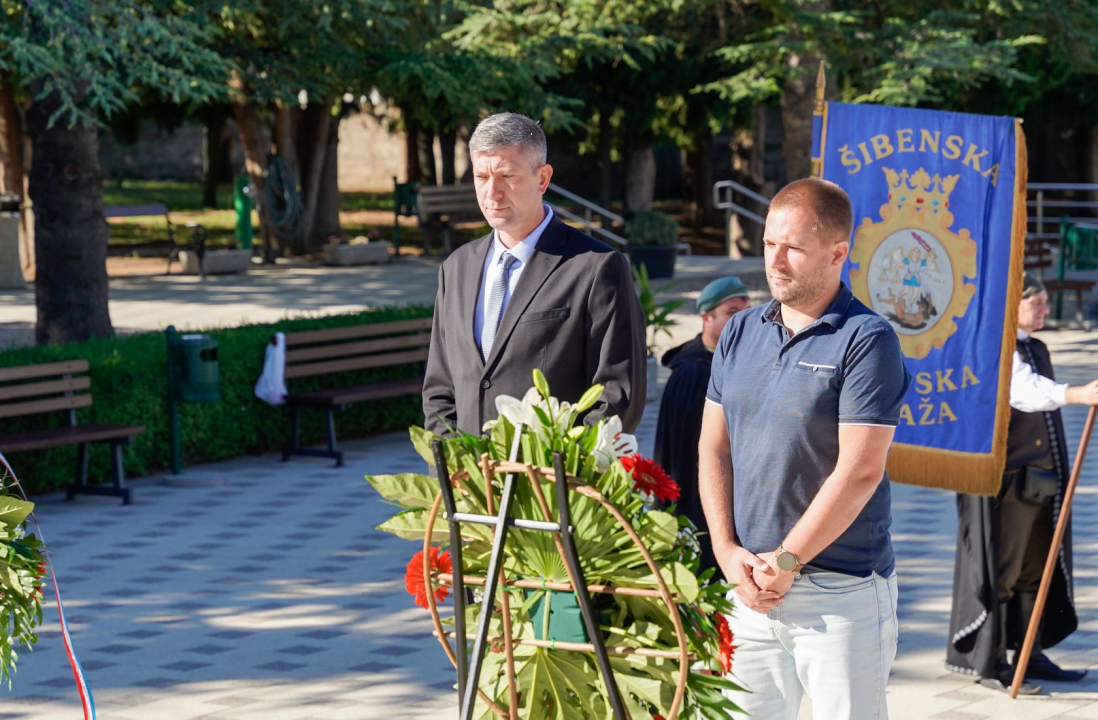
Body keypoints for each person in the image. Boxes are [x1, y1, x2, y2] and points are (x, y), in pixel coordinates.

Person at [699, 177, 911, 719]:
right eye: (769, 243)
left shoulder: (867, 339)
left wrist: (788, 559)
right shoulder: (740, 330)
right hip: (747, 589)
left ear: (838, 252)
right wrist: (726, 552)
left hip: (840, 595)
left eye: (793, 247)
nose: (776, 260)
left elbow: (860, 470)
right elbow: (713, 449)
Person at [422, 112, 646, 436]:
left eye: (507, 176)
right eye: (481, 177)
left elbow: (617, 395)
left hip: (550, 480)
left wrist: (566, 473)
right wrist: (453, 472)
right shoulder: (456, 268)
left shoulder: (596, 267)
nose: (491, 192)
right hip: (469, 481)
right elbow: (440, 390)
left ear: (542, 178)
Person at [947, 274, 1097, 693]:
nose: (1046, 310)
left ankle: (1028, 652)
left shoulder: (1036, 346)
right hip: (1008, 484)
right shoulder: (997, 347)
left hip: (1040, 481)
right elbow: (1022, 391)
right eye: (1038, 303)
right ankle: (993, 663)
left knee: (1034, 573)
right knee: (1004, 573)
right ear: (1014, 305)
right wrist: (1077, 393)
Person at [654, 276, 751, 578]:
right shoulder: (694, 373)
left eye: (745, 313)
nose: (741, 322)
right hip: (697, 510)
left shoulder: (728, 362)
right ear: (706, 317)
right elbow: (689, 457)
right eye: (731, 313)